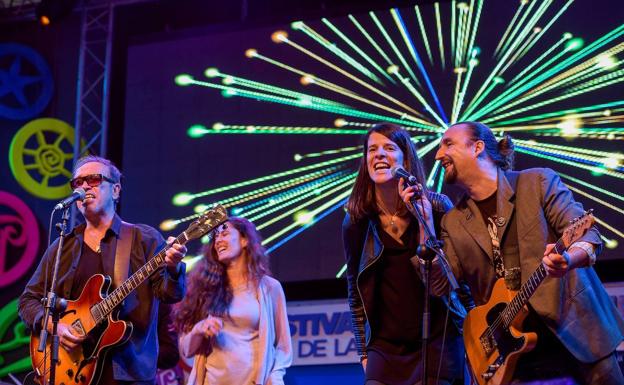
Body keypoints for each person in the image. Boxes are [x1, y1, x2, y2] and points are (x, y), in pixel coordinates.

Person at [402, 121, 624, 384]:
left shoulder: (538, 182)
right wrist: (424, 223)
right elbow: (439, 285)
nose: (438, 155)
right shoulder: (453, 221)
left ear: (478, 147)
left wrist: (567, 259)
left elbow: (588, 235)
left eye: (448, 144)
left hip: (576, 330)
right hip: (510, 348)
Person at [19, 155, 188, 385]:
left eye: (94, 179)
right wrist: (53, 326)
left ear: (116, 191)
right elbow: (28, 300)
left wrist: (174, 267)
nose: (84, 186)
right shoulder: (62, 246)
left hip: (127, 373)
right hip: (69, 370)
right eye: (77, 182)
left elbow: (170, 294)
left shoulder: (143, 239)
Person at [343, 123, 466, 385]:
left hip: (438, 342)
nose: (378, 155)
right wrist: (364, 353)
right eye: (372, 150)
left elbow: (451, 282)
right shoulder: (356, 221)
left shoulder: (438, 206)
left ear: (405, 159)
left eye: (389, 148)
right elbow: (355, 291)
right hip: (385, 349)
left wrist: (424, 221)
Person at [173, 217, 292, 385]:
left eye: (225, 233)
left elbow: (284, 347)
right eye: (216, 237)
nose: (218, 240)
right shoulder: (205, 289)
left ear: (244, 240)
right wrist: (199, 329)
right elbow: (187, 349)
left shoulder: (270, 288)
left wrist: (275, 375)